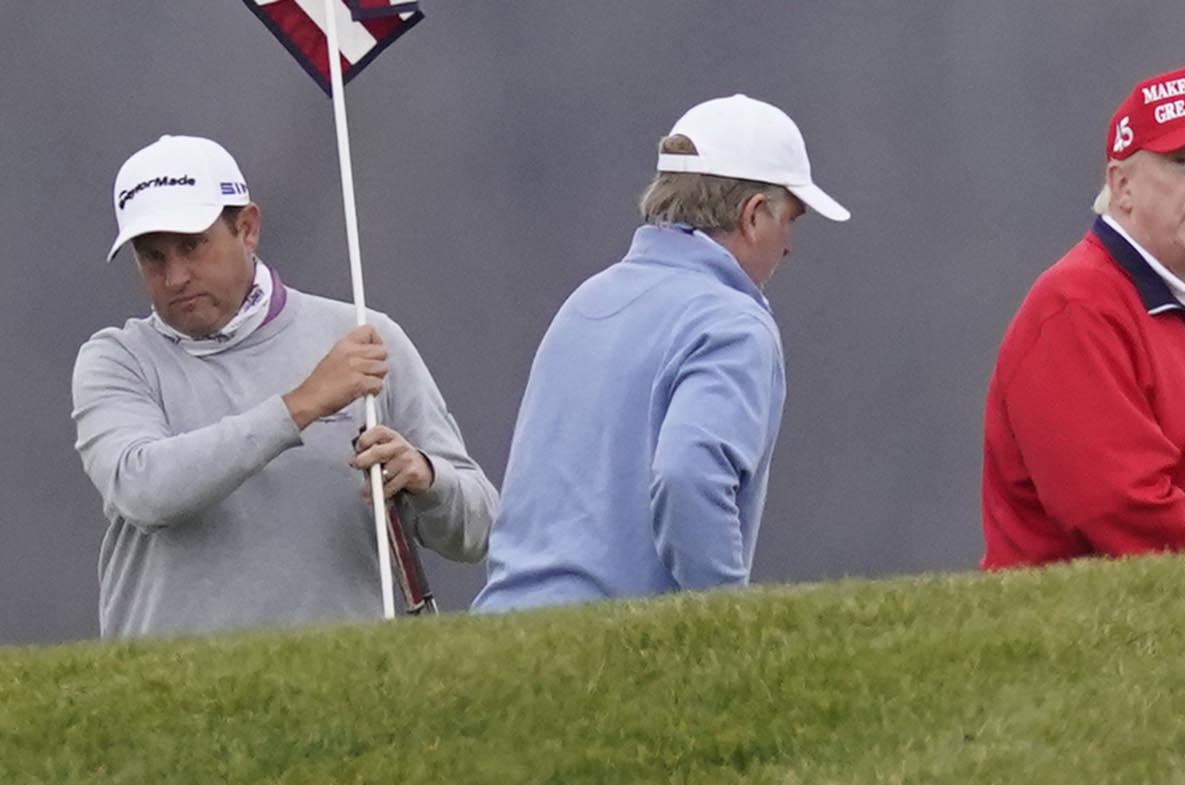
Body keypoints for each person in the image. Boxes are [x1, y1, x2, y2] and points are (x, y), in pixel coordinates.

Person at [73, 135, 498, 637]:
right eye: (153, 257)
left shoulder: (364, 338)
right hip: (173, 680)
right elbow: (144, 490)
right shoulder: (117, 359)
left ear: (247, 228)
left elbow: (481, 530)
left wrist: (426, 477)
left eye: (192, 245)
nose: (175, 277)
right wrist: (301, 405)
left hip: (351, 672)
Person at [473, 94, 850, 612]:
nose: (789, 244)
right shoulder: (734, 323)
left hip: (498, 628)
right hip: (612, 645)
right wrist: (727, 621)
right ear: (753, 216)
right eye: (790, 220)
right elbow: (689, 477)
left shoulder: (587, 300)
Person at [981, 66, 1185, 569]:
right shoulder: (1077, 307)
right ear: (1122, 186)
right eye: (1183, 161)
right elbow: (1118, 508)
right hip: (1097, 621)